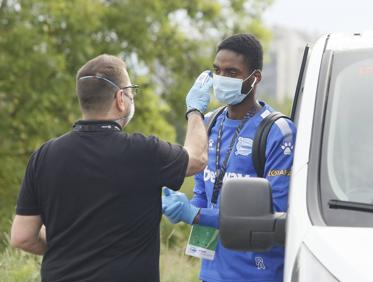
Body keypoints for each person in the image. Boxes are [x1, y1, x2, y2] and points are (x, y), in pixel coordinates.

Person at [10, 54, 213, 282]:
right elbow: (197, 158)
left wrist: (67, 246)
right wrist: (195, 111)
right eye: (131, 91)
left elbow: (22, 236)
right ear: (120, 98)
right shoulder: (144, 152)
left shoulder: (43, 156)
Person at [162, 34, 297, 282]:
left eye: (232, 73)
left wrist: (196, 215)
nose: (222, 79)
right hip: (211, 273)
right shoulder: (209, 122)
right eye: (217, 70)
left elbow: (273, 214)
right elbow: (203, 193)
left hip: (257, 274)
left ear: (254, 78)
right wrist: (184, 207)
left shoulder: (278, 132)